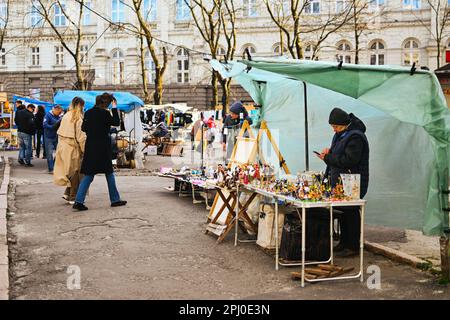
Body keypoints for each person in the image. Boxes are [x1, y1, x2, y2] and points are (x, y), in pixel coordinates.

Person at [316, 107, 369, 258]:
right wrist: (329, 152)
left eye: (336, 127)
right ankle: (344, 242)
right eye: (333, 127)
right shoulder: (340, 134)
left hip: (353, 180)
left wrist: (327, 158)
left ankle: (352, 245)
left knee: (351, 211)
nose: (334, 130)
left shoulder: (356, 137)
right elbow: (338, 153)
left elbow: (350, 160)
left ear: (345, 124)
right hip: (341, 180)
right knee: (344, 211)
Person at [73, 93, 127, 211]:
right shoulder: (105, 113)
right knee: (109, 173)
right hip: (102, 148)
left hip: (91, 147)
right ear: (106, 103)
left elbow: (84, 128)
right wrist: (114, 108)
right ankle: (115, 200)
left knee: (88, 175)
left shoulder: (88, 113)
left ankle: (78, 201)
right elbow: (117, 122)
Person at [54, 97, 87, 204]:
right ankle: (73, 196)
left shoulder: (66, 115)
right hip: (72, 147)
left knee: (68, 171)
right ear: (81, 106)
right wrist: (84, 150)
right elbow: (81, 137)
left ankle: (67, 193)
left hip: (62, 146)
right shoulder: (78, 118)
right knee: (75, 172)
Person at [43, 105, 63, 173]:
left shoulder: (58, 116)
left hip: (56, 137)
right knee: (49, 153)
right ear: (55, 109)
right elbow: (45, 125)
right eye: (59, 112)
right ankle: (51, 169)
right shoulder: (48, 115)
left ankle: (54, 166)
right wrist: (52, 127)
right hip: (48, 137)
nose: (60, 114)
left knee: (58, 152)